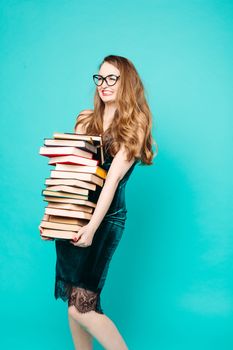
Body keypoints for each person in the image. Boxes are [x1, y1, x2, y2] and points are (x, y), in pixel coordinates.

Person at [39, 54, 157, 350]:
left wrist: (92, 227)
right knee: (73, 302)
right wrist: (56, 220)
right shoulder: (85, 119)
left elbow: (111, 181)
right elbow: (72, 174)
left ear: (126, 82)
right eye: (100, 78)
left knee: (83, 306)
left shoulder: (135, 125)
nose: (103, 84)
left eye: (112, 78)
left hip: (106, 219)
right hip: (76, 213)